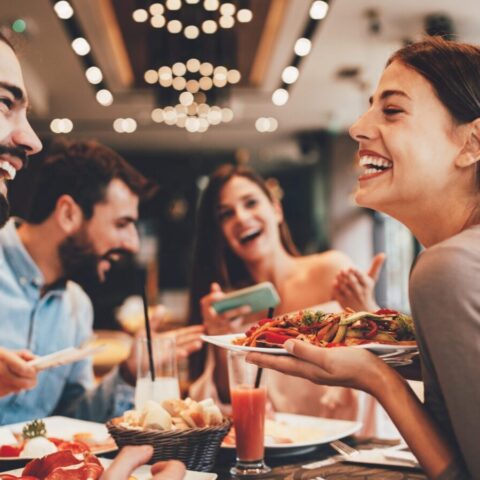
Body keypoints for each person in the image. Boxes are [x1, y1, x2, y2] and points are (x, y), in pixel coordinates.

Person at [248, 36, 480, 479]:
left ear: (471, 143)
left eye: (391, 110)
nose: (358, 126)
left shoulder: (447, 268)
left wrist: (378, 379)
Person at [0, 139, 203, 424]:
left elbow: (72, 419)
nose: (133, 243)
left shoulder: (76, 305)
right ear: (69, 214)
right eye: (122, 224)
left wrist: (130, 373)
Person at [187, 164, 388, 432]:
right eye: (226, 214)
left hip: (346, 439)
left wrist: (368, 310)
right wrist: (219, 338)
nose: (241, 218)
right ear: (220, 233)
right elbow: (229, 400)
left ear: (276, 209)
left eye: (251, 203)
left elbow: (378, 365)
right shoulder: (233, 309)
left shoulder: (330, 271)